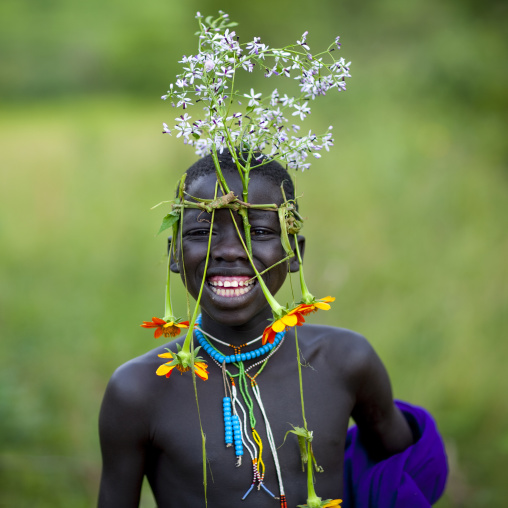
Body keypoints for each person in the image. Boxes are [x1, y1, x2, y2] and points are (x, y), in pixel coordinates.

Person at [98, 153, 448, 508]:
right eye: (202, 232)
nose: (230, 251)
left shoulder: (345, 361)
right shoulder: (138, 390)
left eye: (260, 231)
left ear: (294, 251)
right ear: (175, 254)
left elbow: (410, 475)